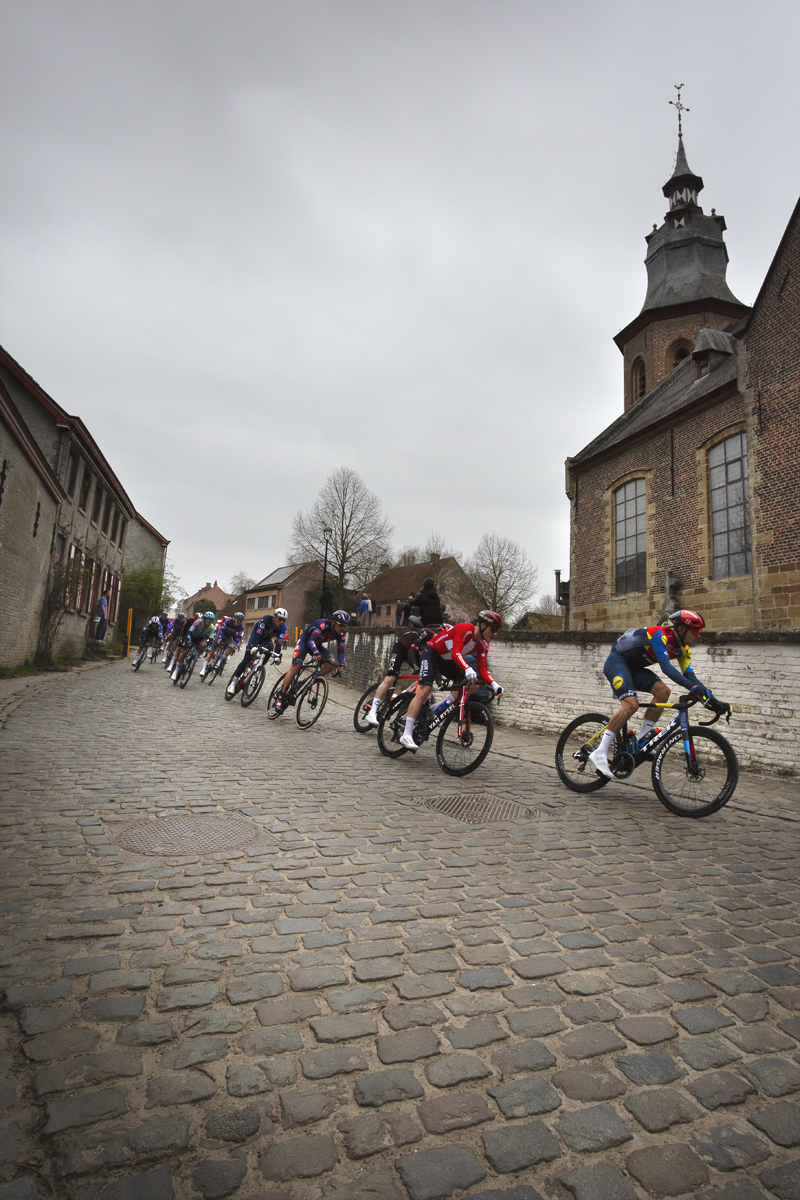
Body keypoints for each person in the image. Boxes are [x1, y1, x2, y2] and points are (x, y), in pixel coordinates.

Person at [588, 609, 725, 779]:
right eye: (696, 631)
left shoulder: (683, 650)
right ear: (682, 630)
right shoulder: (660, 635)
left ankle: (642, 739)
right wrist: (693, 688)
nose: (698, 636)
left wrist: (711, 698)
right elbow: (666, 669)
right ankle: (599, 752)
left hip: (636, 669)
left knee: (663, 692)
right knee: (631, 704)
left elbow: (690, 677)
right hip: (618, 661)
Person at [399, 611, 504, 751]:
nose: (495, 634)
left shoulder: (483, 645)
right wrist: (467, 668)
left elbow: (483, 670)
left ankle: (439, 707)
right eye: (494, 629)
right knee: (424, 690)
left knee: (474, 685)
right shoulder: (465, 629)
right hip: (432, 653)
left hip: (447, 662)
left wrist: (495, 685)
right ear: (483, 625)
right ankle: (406, 734)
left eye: (498, 630)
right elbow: (456, 652)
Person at [364, 617, 439, 727]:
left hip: (413, 652)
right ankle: (372, 712)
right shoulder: (427, 632)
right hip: (401, 648)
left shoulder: (438, 646)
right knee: (391, 678)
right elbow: (411, 652)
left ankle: (404, 695)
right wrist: (415, 667)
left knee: (422, 678)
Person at [274, 610, 349, 712]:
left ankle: (305, 682)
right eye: (341, 625)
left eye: (345, 626)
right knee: (296, 667)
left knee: (332, 663)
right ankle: (280, 697)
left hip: (317, 644)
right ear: (334, 622)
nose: (342, 628)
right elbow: (311, 640)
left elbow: (341, 651)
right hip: (306, 641)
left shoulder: (342, 634)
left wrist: (341, 664)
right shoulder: (323, 624)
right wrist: (315, 652)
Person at [226, 608, 288, 696]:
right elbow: (258, 634)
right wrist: (254, 647)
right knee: (247, 658)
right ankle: (233, 682)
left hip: (266, 640)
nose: (281, 621)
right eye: (280, 619)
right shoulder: (266, 619)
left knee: (269, 651)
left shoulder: (282, 628)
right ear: (274, 617)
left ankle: (257, 667)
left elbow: (278, 642)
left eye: (284, 620)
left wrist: (277, 656)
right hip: (256, 636)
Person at [170, 611, 216, 683]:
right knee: (185, 651)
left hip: (200, 638)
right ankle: (176, 670)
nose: (210, 622)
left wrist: (208, 647)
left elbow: (211, 639)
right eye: (208, 620)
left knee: (204, 645)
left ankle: (195, 656)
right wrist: (189, 641)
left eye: (211, 620)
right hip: (191, 636)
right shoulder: (198, 622)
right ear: (204, 619)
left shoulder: (212, 627)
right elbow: (189, 632)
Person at [200, 612, 245, 678]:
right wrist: (220, 638)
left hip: (228, 637)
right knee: (211, 652)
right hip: (221, 635)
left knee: (231, 647)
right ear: (234, 619)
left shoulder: (241, 627)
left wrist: (235, 644)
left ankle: (223, 657)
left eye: (241, 621)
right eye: (238, 620)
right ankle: (203, 669)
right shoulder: (228, 621)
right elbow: (221, 630)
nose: (239, 622)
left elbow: (238, 637)